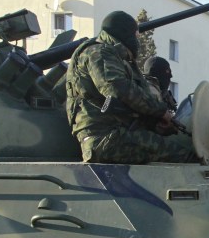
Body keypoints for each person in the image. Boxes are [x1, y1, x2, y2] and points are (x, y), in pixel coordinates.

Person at [65, 11, 197, 164]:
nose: (137, 40)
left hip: (114, 135)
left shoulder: (113, 56)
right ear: (125, 33)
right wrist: (161, 111)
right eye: (135, 35)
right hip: (105, 139)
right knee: (186, 156)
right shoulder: (99, 52)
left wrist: (155, 123)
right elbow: (118, 90)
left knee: (177, 147)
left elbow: (121, 107)